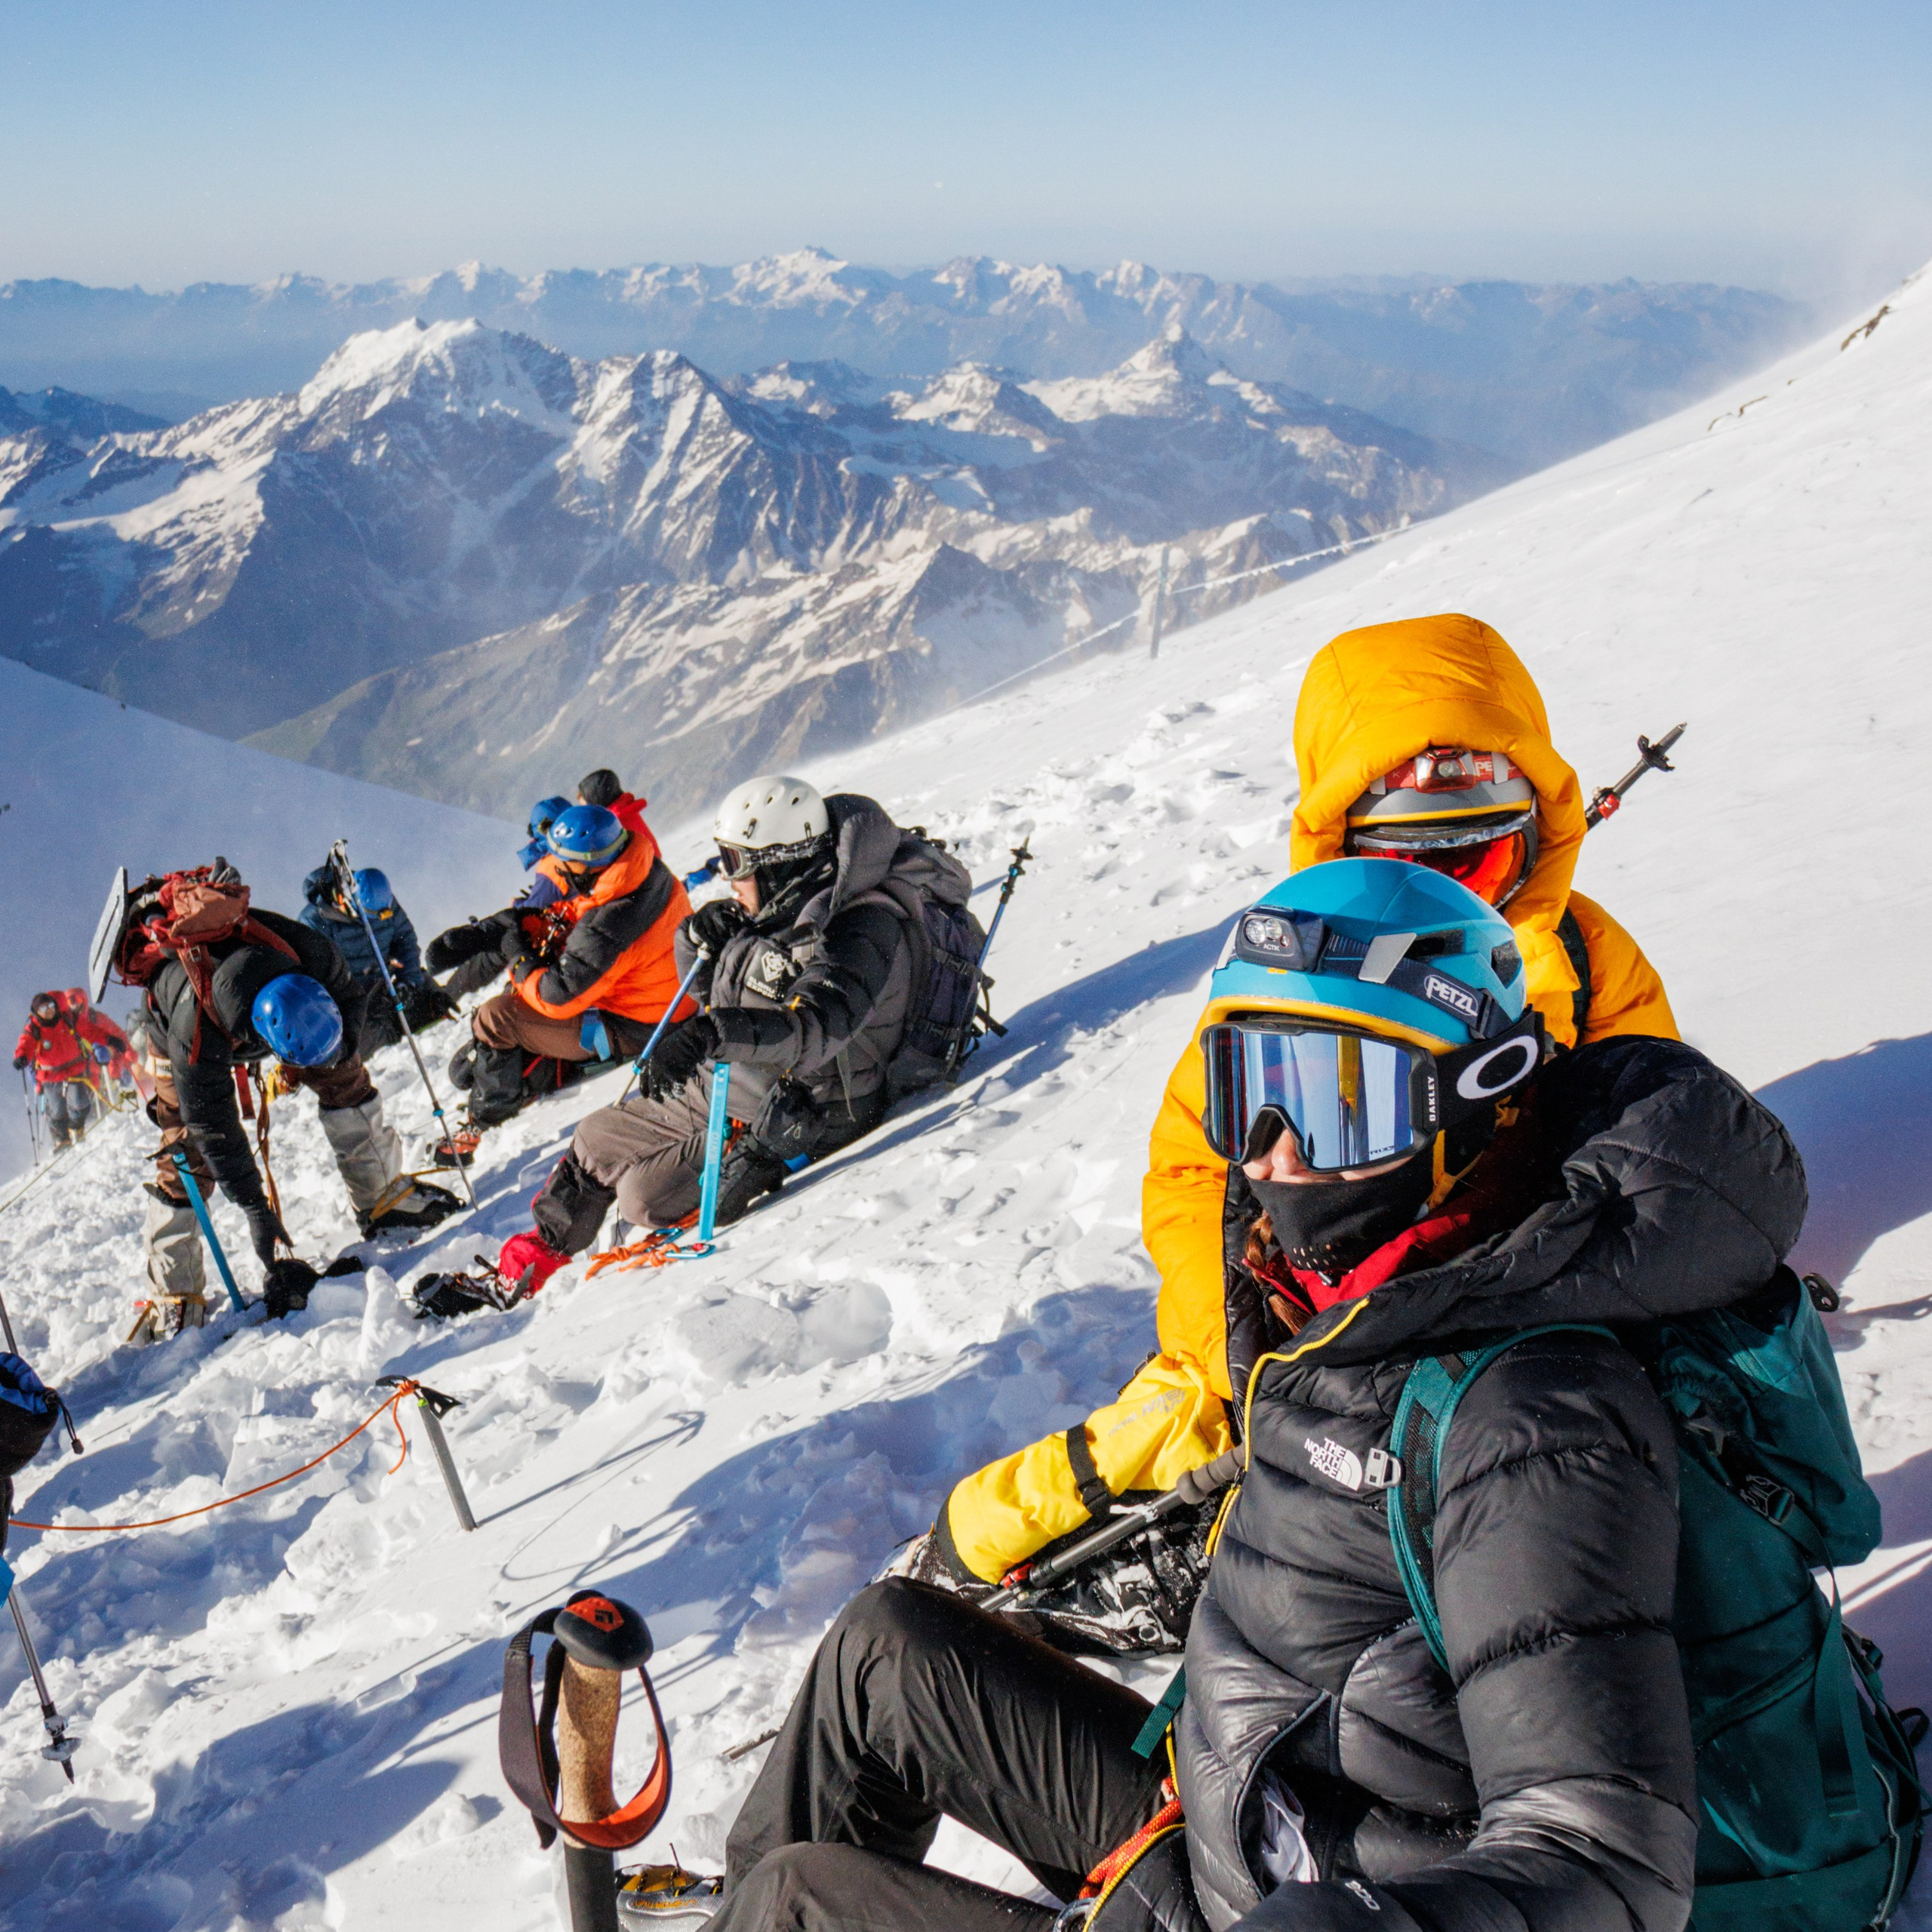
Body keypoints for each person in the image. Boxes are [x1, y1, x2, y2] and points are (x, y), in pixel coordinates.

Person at [669, 856, 1801, 1932]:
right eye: (1249, 1092)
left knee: (802, 1906)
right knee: (885, 1653)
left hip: (1312, 1900)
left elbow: (1609, 1858)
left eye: (1336, 1102)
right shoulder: (1351, 1304)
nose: (1275, 1155)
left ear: (1474, 1101)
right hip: (1248, 1821)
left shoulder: (1532, 1423)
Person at [919, 611, 1683, 1647]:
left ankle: (1224, 1568)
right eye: (1410, 861)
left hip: (1494, 1322)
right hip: (1300, 1303)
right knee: (1164, 1427)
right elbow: (1197, 1160)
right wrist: (1233, 1336)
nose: (1457, 897)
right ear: (1343, 847)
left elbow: (1651, 1136)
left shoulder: (1586, 962)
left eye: (1486, 857)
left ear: (1537, 834)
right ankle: (953, 1573)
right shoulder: (1301, 975)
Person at [492, 776, 972, 1296]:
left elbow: (816, 1028)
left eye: (735, 861)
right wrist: (695, 941)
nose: (728, 874)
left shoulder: (861, 926)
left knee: (642, 1198)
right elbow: (709, 994)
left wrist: (709, 1035)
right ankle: (531, 1266)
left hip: (803, 1106)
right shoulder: (779, 906)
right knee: (594, 1138)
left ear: (779, 861)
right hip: (729, 1082)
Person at [107, 862, 430, 1339]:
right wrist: (257, 1209)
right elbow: (213, 1126)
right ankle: (176, 1291)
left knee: (343, 1074)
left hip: (259, 1007)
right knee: (186, 1149)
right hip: (175, 1030)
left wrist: (339, 1049)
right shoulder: (194, 1029)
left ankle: (384, 1197)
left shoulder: (311, 953)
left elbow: (350, 1001)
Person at [426, 801, 694, 1162]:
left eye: (568, 863)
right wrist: (499, 927)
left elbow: (558, 997)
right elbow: (574, 913)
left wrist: (519, 957)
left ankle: (482, 1120)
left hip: (641, 1026)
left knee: (497, 1018)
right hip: (660, 1000)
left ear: (590, 861)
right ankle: (519, 1068)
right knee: (471, 1063)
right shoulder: (634, 871)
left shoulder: (613, 922)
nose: (561, 870)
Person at [298, 860, 454, 1054]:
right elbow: (318, 978)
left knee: (430, 1001)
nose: (382, 917)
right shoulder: (315, 922)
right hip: (349, 997)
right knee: (356, 1046)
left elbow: (405, 941)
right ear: (351, 900)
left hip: (384, 982)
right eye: (373, 914)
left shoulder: (380, 901)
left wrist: (409, 982)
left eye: (386, 912)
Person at [13, 989, 128, 1151]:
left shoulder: (68, 1019)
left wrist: (109, 1039)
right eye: (44, 1009)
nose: (50, 1011)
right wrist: (22, 1057)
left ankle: (76, 1127)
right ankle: (61, 1139)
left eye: (51, 1005)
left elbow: (90, 1030)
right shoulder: (34, 1028)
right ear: (36, 1013)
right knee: (57, 1110)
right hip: (50, 1075)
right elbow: (26, 1044)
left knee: (80, 1103)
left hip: (75, 1069)